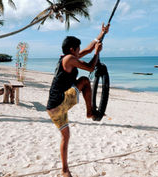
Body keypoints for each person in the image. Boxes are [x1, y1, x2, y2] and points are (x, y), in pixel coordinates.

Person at [46, 23, 110, 177]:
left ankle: (65, 170)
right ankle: (89, 112)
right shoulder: (69, 59)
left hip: (52, 108)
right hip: (61, 102)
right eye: (77, 49)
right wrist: (96, 53)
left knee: (65, 137)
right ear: (71, 50)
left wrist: (101, 33)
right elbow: (89, 67)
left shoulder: (69, 57)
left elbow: (87, 48)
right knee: (85, 81)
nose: (80, 51)